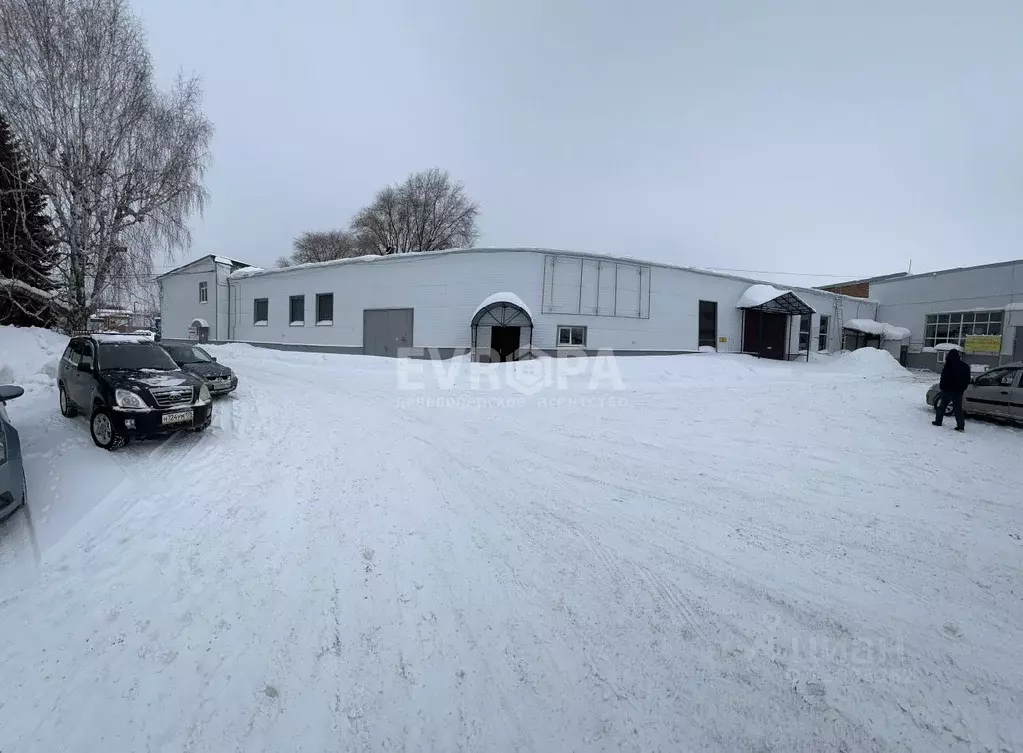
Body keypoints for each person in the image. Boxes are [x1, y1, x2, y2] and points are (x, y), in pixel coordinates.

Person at [933, 348, 971, 431]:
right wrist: (963, 387)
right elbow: (967, 379)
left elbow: (943, 378)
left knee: (942, 406)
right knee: (958, 408)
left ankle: (938, 421)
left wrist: (942, 387)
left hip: (947, 390)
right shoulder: (965, 366)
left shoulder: (948, 366)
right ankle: (961, 426)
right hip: (959, 391)